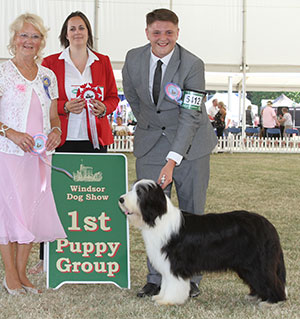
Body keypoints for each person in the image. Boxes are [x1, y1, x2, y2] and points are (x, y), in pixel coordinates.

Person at [122, 8, 217, 298]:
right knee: (150, 213)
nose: (162, 38)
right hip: (150, 144)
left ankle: (190, 279)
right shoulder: (133, 58)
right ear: (147, 31)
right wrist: (152, 126)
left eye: (169, 32)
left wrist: (173, 158)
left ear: (177, 32)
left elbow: (191, 115)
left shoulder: (192, 64)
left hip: (191, 147)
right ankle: (155, 278)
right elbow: (133, 98)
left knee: (191, 215)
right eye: (156, 32)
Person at [29, 11, 119, 274]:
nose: (77, 32)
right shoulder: (50, 63)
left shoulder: (102, 62)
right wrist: (65, 106)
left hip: (94, 139)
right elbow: (43, 101)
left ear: (88, 32)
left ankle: (89, 252)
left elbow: (113, 96)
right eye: (72, 29)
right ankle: (46, 257)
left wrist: (104, 109)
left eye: (81, 28)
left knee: (94, 197)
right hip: (61, 139)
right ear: (65, 34)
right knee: (53, 198)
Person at [0, 13, 66, 295]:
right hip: (8, 153)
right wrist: (10, 132)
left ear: (42, 42)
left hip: (39, 157)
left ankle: (24, 273)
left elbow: (54, 117)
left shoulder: (48, 76)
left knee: (30, 212)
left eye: (35, 36)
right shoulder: (2, 72)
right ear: (14, 39)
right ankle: (10, 276)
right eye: (24, 35)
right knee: (9, 213)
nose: (29, 41)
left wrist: (56, 132)